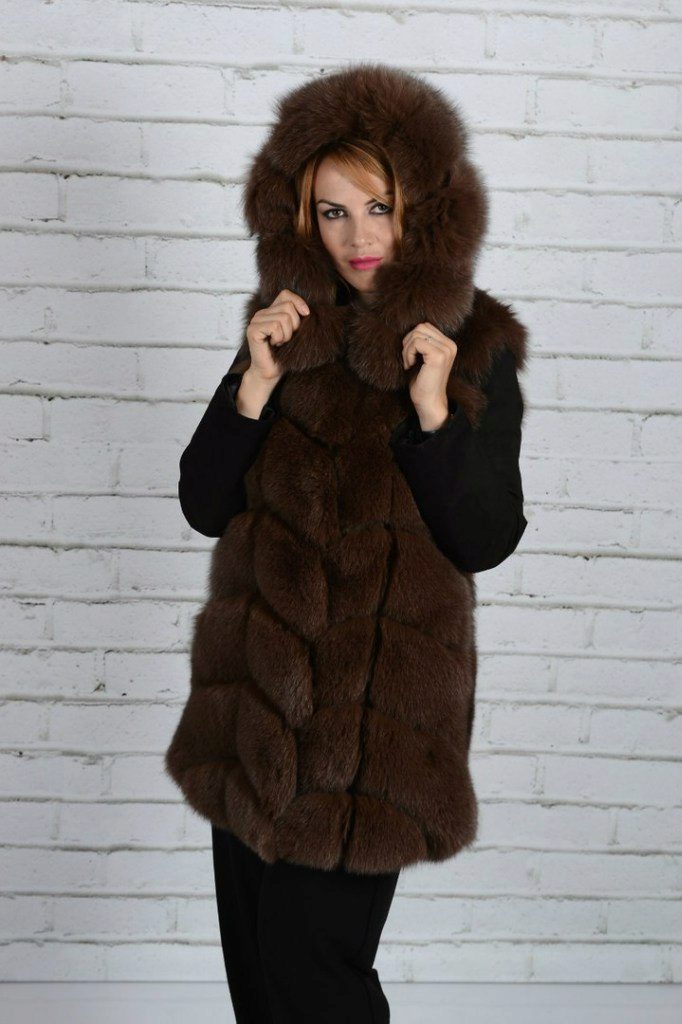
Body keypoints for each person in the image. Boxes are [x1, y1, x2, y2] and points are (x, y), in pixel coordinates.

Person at [165, 63, 529, 1023]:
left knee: (313, 975)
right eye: (332, 212)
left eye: (379, 207)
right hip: (255, 712)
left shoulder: (475, 346)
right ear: (300, 220)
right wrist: (253, 384)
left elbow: (484, 537)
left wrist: (432, 412)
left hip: (376, 733)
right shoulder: (283, 336)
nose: (359, 237)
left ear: (425, 212)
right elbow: (204, 502)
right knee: (259, 977)